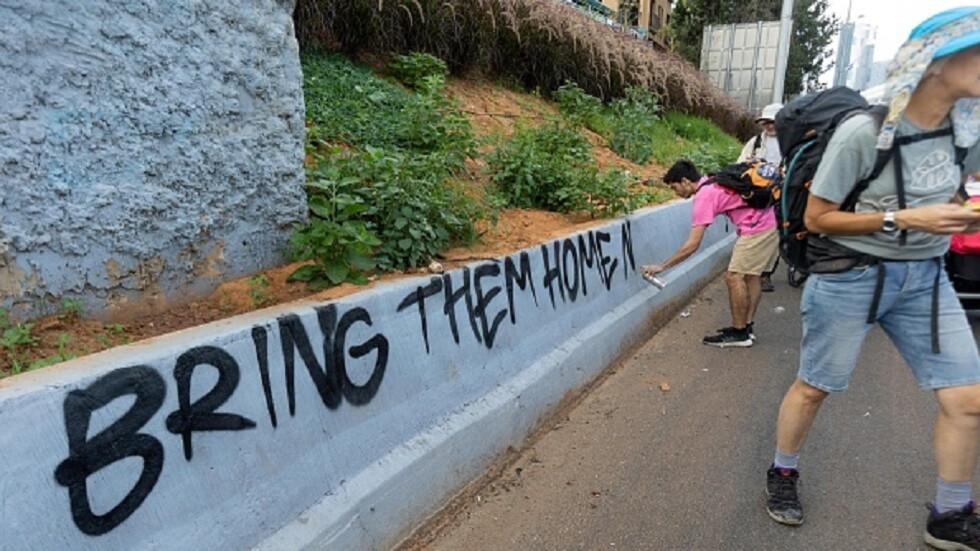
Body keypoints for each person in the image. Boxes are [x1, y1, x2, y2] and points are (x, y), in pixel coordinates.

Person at [762, 8, 980, 551]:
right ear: (935, 63)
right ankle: (783, 473)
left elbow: (956, 190)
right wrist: (904, 219)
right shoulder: (865, 131)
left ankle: (950, 515)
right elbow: (817, 218)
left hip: (926, 279)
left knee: (969, 399)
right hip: (850, 275)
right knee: (815, 387)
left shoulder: (969, 130)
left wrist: (961, 210)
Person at [642, 159, 779, 348]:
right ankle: (746, 327)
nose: (676, 193)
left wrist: (662, 266)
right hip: (768, 222)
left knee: (734, 277)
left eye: (675, 188)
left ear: (685, 181)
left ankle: (740, 333)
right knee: (750, 276)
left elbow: (692, 244)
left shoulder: (704, 196)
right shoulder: (712, 179)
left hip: (757, 229)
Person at [738, 102, 784, 293]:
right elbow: (740, 163)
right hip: (756, 196)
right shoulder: (755, 142)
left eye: (772, 122)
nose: (769, 126)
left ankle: (765, 273)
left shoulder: (789, 142)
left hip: (780, 195)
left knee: (775, 236)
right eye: (766, 122)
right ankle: (749, 269)